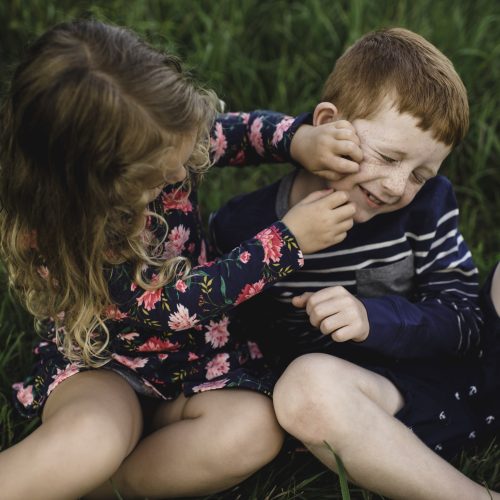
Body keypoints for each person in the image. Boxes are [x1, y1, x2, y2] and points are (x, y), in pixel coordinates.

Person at [0, 19, 359, 500]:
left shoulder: (158, 138)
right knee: (91, 441)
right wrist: (287, 240)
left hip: (200, 362)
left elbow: (230, 134)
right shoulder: (69, 234)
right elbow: (174, 304)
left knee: (252, 430)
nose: (177, 169)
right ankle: (74, 470)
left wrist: (296, 138)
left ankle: (108, 489)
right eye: (156, 174)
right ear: (90, 187)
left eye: (179, 149)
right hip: (106, 365)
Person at [211, 28, 500, 499]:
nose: (396, 186)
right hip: (374, 404)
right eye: (388, 157)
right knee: (306, 388)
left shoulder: (425, 206)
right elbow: (235, 341)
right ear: (328, 124)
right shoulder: (244, 227)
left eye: (421, 174)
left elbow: (465, 319)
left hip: (463, 376)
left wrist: (373, 318)